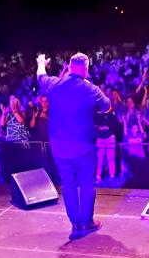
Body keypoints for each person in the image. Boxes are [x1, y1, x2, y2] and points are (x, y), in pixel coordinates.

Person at [37, 52, 111, 240]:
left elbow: (40, 76)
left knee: (68, 183)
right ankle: (86, 222)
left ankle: (75, 224)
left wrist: (41, 62)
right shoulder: (90, 88)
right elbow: (107, 106)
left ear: (70, 67)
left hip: (59, 146)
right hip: (83, 146)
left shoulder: (55, 84)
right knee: (86, 183)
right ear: (85, 68)